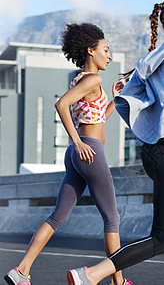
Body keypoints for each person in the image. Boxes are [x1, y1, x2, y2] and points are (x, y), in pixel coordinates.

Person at [66, 0, 164, 285]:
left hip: (153, 150)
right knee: (162, 238)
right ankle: (91, 274)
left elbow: (128, 97)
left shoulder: (155, 54)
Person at [4, 23, 131, 285]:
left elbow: (95, 120)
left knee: (57, 217)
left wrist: (113, 101)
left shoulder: (79, 79)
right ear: (90, 50)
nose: (109, 55)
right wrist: (77, 140)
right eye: (106, 50)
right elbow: (61, 104)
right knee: (112, 218)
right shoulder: (94, 79)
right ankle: (118, 282)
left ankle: (22, 271)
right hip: (89, 151)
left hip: (77, 154)